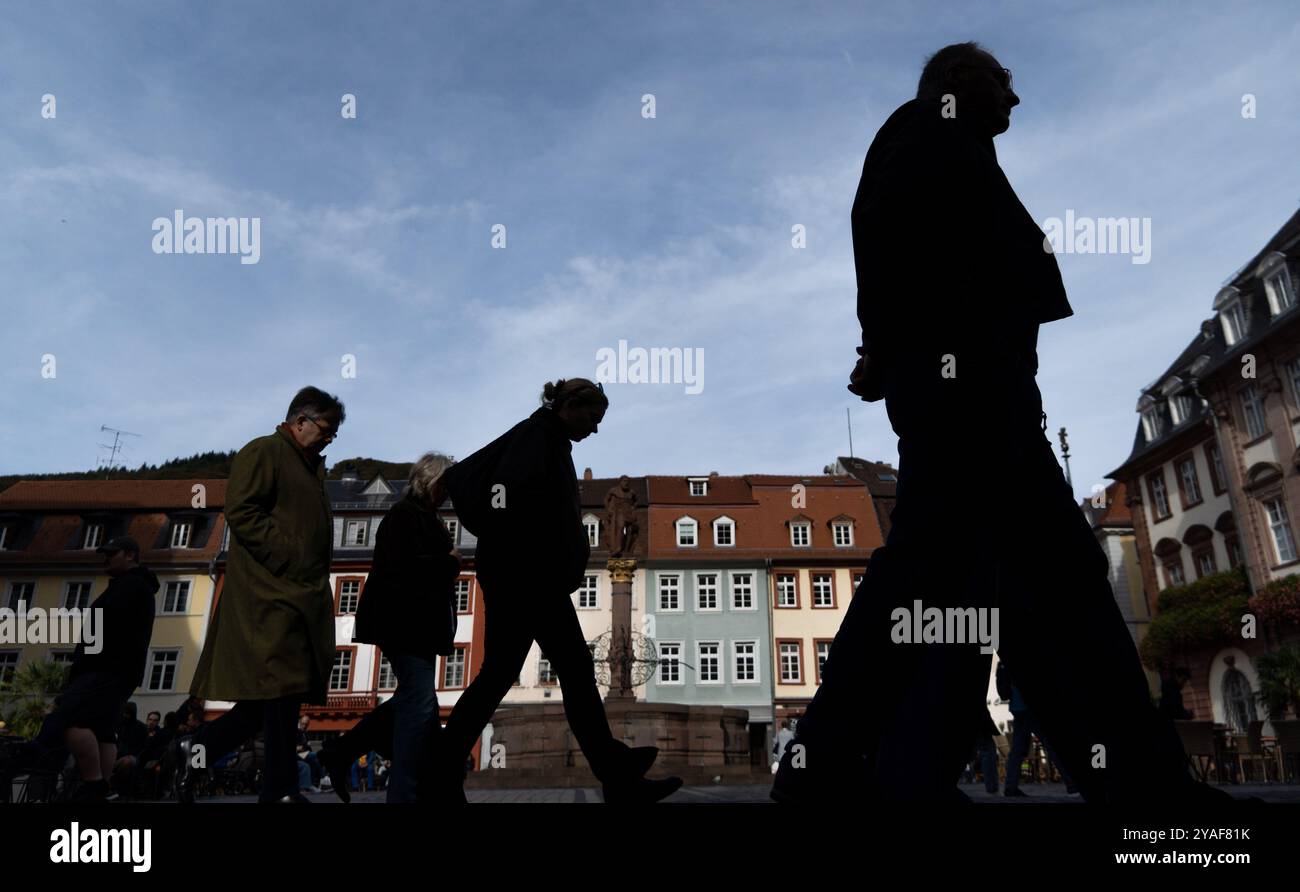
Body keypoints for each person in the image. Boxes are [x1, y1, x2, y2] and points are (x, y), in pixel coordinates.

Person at [774, 42, 1226, 804]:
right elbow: (908, 259)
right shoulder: (927, 132)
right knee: (1033, 580)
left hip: (969, 389)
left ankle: (873, 768)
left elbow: (911, 262)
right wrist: (896, 352)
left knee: (980, 586)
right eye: (1002, 82)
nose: (1014, 100)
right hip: (973, 397)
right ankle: (1142, 787)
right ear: (958, 80)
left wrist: (887, 355)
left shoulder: (939, 140)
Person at [434, 378, 681, 803]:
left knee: (508, 675)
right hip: (528, 578)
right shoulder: (536, 439)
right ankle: (615, 774)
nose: (596, 428)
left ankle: (437, 774)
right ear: (568, 405)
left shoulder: (545, 439)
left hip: (525, 576)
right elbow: (505, 499)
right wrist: (533, 553)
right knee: (573, 669)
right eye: (592, 417)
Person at [177, 387, 343, 803]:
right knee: (280, 696)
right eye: (326, 429)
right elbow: (242, 511)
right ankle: (280, 790)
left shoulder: (309, 468)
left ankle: (194, 755)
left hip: (294, 596)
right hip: (267, 598)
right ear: (300, 421)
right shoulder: (265, 452)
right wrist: (290, 553)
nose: (330, 438)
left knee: (270, 703)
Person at [321, 452, 462, 803]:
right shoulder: (403, 515)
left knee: (417, 704)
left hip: (417, 627)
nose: (447, 493)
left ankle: (344, 752)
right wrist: (448, 563)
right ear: (428, 481)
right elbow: (403, 571)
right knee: (420, 702)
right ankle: (404, 793)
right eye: (444, 485)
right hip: (405, 625)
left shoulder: (425, 517)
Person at [33, 535, 159, 803]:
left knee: (69, 720)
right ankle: (102, 785)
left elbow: (105, 630)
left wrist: (81, 667)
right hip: (119, 670)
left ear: (130, 556)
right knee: (102, 728)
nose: (106, 557)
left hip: (103, 668)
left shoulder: (129, 587)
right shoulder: (137, 587)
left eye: (112, 553)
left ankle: (94, 784)